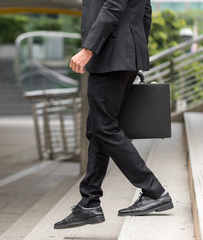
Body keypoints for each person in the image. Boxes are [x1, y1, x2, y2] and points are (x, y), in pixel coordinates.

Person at [54, 0, 173, 229]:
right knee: (97, 128)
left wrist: (88, 49)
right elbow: (145, 11)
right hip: (122, 55)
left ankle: (154, 191)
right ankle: (89, 203)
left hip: (109, 56)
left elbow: (114, 6)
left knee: (104, 128)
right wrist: (134, 51)